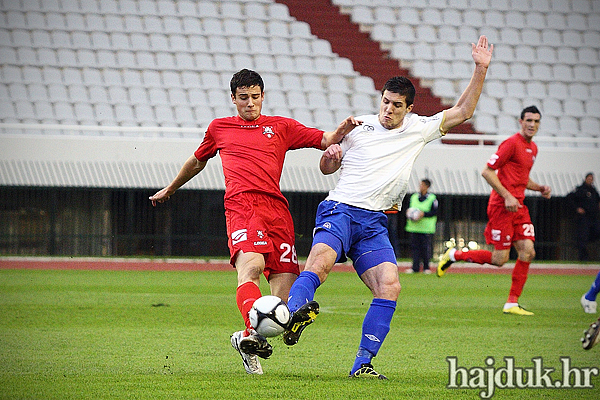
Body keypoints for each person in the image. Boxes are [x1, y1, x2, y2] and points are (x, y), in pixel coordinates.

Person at [282, 35, 493, 379]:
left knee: (390, 286)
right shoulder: (358, 127)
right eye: (385, 102)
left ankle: (362, 365)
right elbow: (326, 168)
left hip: (375, 222)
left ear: (409, 108)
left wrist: (480, 68)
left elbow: (464, 111)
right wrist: (330, 157)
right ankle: (293, 315)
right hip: (341, 209)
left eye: (396, 105)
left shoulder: (418, 128)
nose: (388, 110)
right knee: (319, 265)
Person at [149, 69, 357, 375]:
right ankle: (251, 329)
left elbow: (324, 139)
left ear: (263, 96)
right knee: (252, 268)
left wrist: (341, 131)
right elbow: (198, 161)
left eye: (255, 97)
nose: (250, 103)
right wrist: (171, 187)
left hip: (277, 210)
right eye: (243, 98)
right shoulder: (219, 128)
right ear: (233, 99)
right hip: (242, 206)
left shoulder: (281, 126)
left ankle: (247, 340)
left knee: (283, 299)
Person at [437, 105, 552, 316]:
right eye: (528, 120)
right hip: (501, 206)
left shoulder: (532, 149)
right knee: (500, 259)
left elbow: (521, 178)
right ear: (521, 122)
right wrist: (507, 195)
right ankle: (454, 255)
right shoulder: (511, 144)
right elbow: (487, 171)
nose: (532, 125)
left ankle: (512, 302)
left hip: (519, 207)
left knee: (528, 251)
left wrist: (540, 188)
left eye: (536, 121)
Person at [404, 178, 438, 274]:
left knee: (425, 248)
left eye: (422, 185)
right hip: (414, 227)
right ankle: (415, 267)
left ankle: (426, 267)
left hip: (426, 228)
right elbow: (408, 208)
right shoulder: (414, 197)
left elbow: (434, 212)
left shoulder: (432, 198)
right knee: (415, 248)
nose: (420, 187)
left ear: (427, 186)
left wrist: (424, 214)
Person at [567, 173, 600, 261]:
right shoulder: (580, 189)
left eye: (591, 179)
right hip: (584, 218)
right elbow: (569, 198)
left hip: (593, 217)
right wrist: (577, 208)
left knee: (596, 231)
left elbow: (597, 200)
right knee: (583, 237)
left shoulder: (594, 190)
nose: (590, 180)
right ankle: (583, 257)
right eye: (589, 178)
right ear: (585, 179)